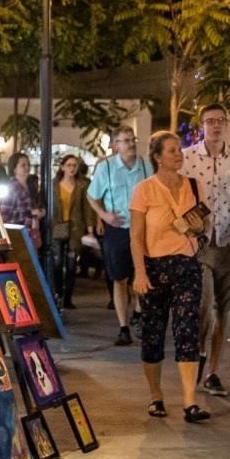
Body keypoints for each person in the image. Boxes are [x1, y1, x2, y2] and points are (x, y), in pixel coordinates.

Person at [128, 130, 211, 423]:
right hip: (154, 268)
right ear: (158, 157)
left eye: (180, 150)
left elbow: (203, 228)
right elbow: (136, 237)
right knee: (154, 332)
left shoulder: (194, 185)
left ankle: (190, 401)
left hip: (186, 265)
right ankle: (156, 396)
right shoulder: (144, 190)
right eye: (172, 151)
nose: (179, 155)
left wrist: (197, 226)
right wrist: (139, 271)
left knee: (187, 328)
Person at [181, 103, 230, 397]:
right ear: (202, 126)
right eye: (210, 121)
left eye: (220, 121)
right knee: (204, 305)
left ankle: (213, 370)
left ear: (227, 124)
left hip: (229, 241)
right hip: (199, 243)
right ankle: (198, 353)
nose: (215, 126)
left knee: (224, 309)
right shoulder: (187, 159)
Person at [88, 128, 151, 347]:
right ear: (115, 145)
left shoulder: (145, 165)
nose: (130, 144)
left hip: (142, 228)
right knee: (119, 278)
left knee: (141, 273)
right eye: (124, 141)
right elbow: (92, 195)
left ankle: (139, 313)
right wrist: (104, 215)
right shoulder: (106, 167)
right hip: (118, 228)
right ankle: (123, 326)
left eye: (132, 139)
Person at [49, 152, 93, 310]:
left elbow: (87, 207)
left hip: (75, 226)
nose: (72, 168)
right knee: (57, 262)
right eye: (69, 165)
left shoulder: (82, 184)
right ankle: (58, 293)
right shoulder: (54, 184)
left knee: (72, 263)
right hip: (59, 225)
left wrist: (90, 228)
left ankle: (68, 298)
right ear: (62, 167)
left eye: (75, 165)